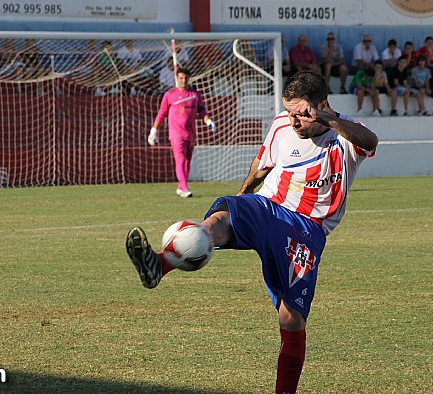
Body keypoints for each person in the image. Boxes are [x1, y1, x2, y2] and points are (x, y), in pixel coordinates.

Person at [127, 70, 378, 394]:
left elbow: (371, 142)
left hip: (306, 228)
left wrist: (327, 119)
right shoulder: (281, 125)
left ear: (322, 106)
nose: (294, 121)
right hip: (267, 206)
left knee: (291, 318)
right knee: (222, 216)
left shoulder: (343, 137)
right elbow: (262, 164)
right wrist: (243, 194)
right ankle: (158, 265)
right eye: (289, 112)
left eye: (301, 113)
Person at [147, 67, 215, 198]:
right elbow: (161, 114)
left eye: (185, 78)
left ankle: (180, 187)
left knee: (187, 161)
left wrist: (208, 121)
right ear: (177, 79)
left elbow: (202, 111)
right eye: (181, 78)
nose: (183, 80)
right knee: (180, 159)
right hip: (176, 133)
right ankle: (184, 187)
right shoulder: (170, 95)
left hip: (190, 133)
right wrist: (154, 130)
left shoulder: (195, 95)